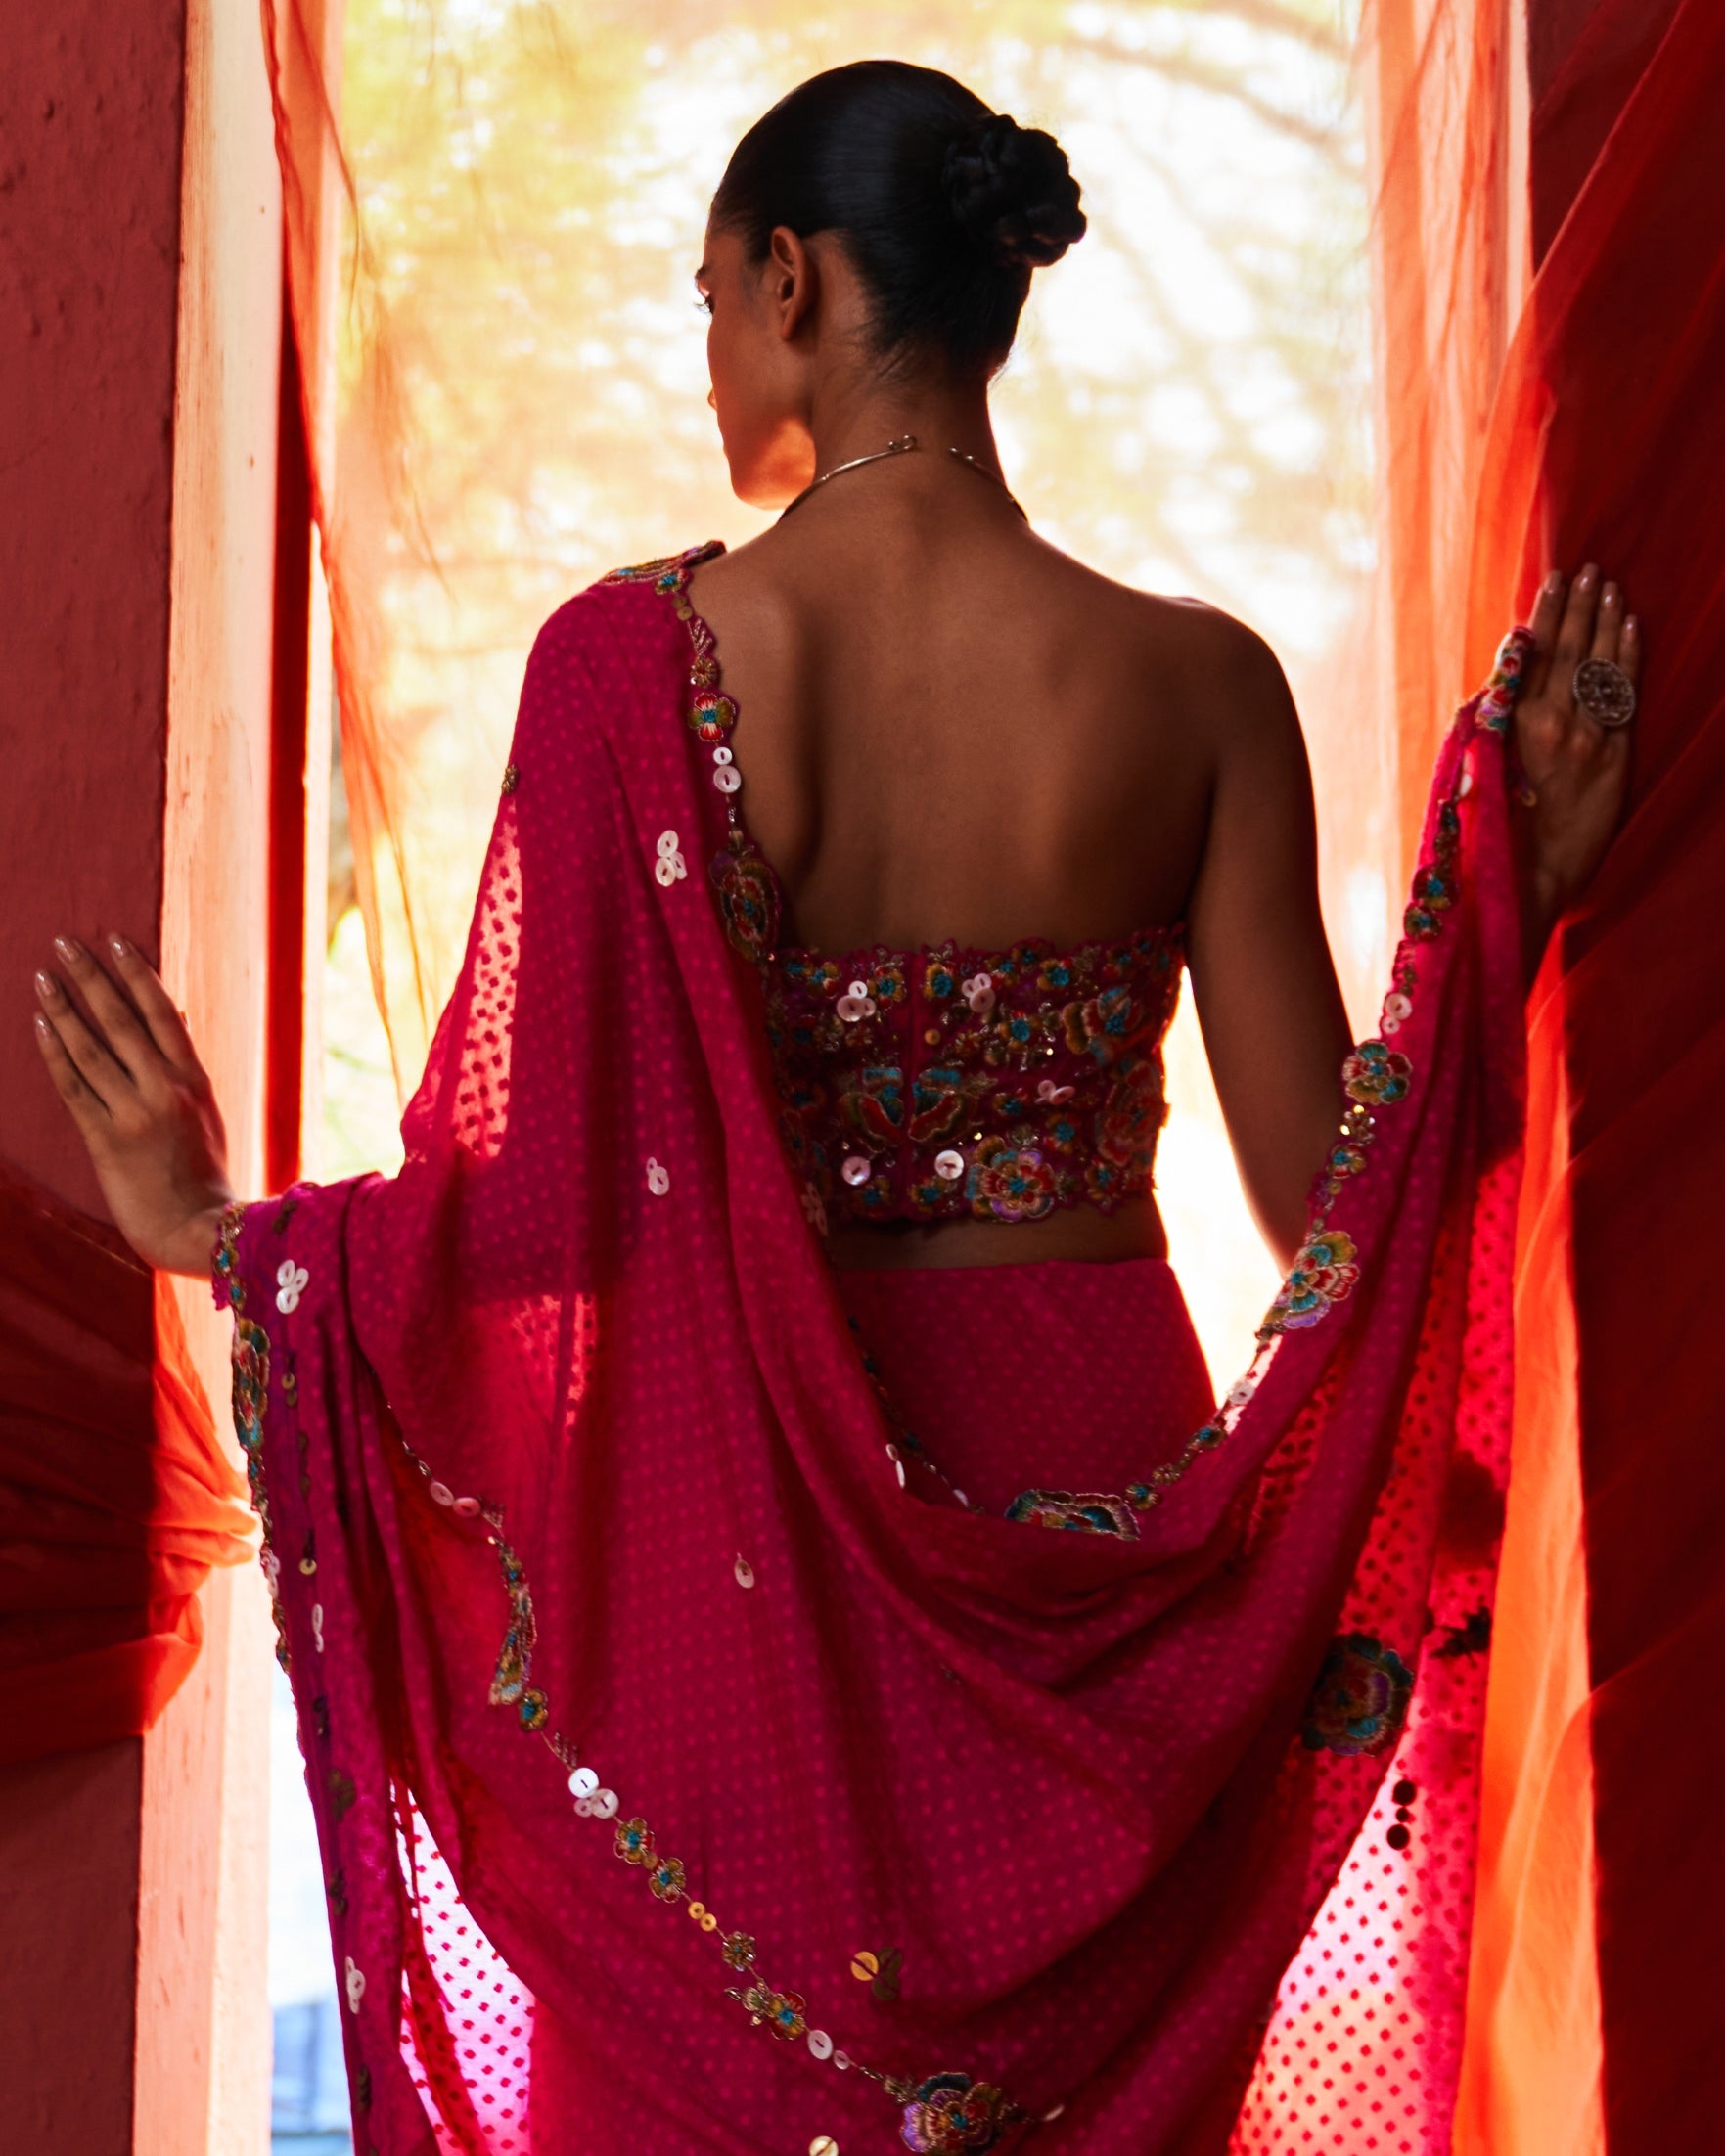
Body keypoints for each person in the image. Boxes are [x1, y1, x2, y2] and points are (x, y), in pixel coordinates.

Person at [30, 59, 1637, 2156]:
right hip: (1101, 1520)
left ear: (793, 281)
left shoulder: (629, 671)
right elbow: (1326, 1193)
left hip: (751, 1575)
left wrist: (221, 1235)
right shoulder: (1198, 684)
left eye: (709, 299)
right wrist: (1492, 922)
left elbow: (515, 1232)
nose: (704, 359)